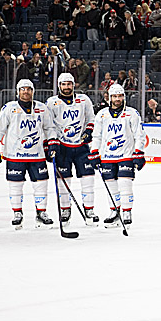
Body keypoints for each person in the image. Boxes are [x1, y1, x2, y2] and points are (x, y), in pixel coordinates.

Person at [0, 78, 58, 229]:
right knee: (15, 185)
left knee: (41, 184)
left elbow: (49, 128)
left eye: (28, 89)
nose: (26, 91)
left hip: (37, 154)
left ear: (33, 91)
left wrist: (52, 142)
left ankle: (41, 213)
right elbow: (0, 128)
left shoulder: (42, 108)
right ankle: (17, 213)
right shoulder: (9, 108)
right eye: (23, 89)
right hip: (15, 154)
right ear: (18, 91)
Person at [90, 84, 146, 227]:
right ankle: (115, 211)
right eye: (115, 96)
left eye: (120, 96)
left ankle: (127, 211)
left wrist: (138, 152)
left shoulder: (132, 113)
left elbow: (139, 135)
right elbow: (96, 135)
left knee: (124, 183)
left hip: (126, 155)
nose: (118, 99)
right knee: (111, 185)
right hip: (107, 156)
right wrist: (94, 152)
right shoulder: (102, 114)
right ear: (109, 97)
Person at [46, 72, 98, 224]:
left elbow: (91, 118)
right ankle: (65, 209)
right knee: (64, 180)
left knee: (88, 178)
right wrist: (51, 142)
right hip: (62, 147)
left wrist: (88, 131)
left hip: (82, 146)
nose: (67, 87)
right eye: (63, 84)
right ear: (59, 85)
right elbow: (48, 125)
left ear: (74, 85)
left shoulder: (83, 100)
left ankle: (89, 209)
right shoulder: (52, 102)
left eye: (69, 84)